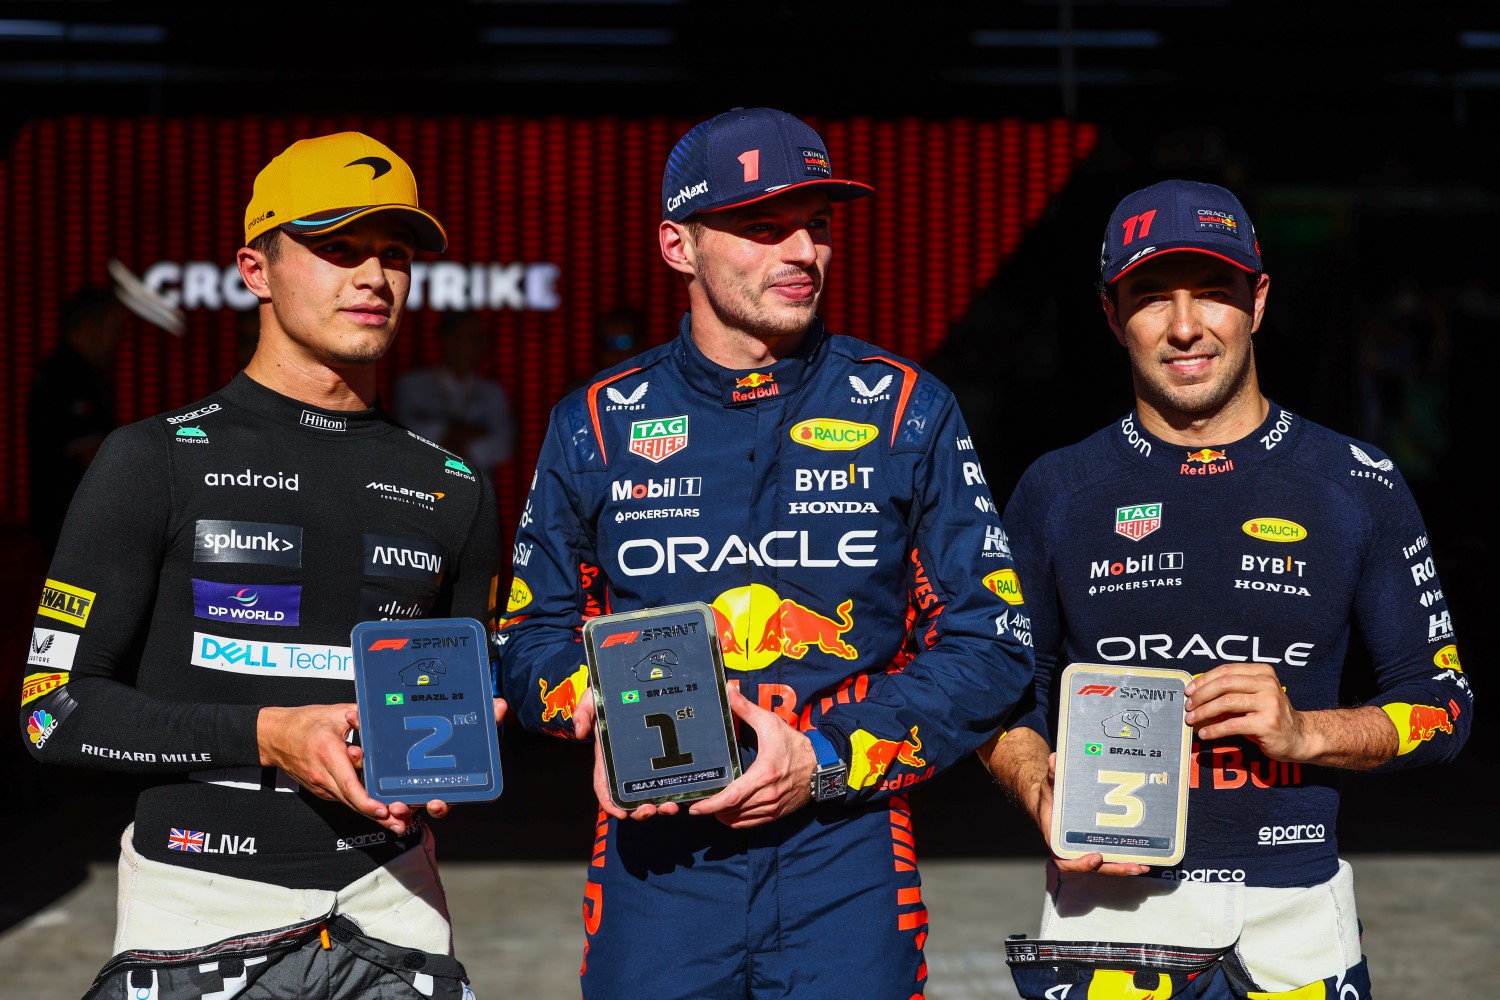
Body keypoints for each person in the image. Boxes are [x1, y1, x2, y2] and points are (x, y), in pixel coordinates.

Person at [497, 107, 1035, 999]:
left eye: (818, 225)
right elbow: (528, 636)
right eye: (761, 227)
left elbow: (994, 643)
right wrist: (592, 699)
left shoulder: (909, 410)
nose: (803, 252)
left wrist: (826, 758)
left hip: (846, 849)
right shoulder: (594, 422)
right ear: (679, 245)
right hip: (659, 858)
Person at [20, 132, 501, 999]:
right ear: (256, 269)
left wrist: (462, 745)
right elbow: (51, 714)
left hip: (397, 910)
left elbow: (457, 712)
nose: (373, 277)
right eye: (336, 247)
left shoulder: (454, 487)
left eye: (394, 255)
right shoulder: (151, 459)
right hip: (195, 913)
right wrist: (265, 734)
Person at [985, 179, 1472, 999]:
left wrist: (1306, 731)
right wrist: (1041, 786)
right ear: (1111, 315)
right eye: (1151, 299)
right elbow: (1001, 692)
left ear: (1258, 300)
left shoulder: (1359, 484)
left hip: (1298, 934)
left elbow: (1445, 706)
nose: (1184, 327)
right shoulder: (1055, 489)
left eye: (1213, 294)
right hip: (1106, 928)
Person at [26, 287, 126, 551]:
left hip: (70, 523)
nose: (118, 341)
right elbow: (91, 456)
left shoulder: (82, 375)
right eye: (114, 330)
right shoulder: (66, 376)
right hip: (67, 527)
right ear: (90, 326)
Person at [394, 310, 515, 470]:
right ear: (447, 341)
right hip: (422, 483)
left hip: (475, 486)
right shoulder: (413, 384)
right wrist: (466, 433)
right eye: (472, 338)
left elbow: (503, 444)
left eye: (481, 339)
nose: (479, 346)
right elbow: (406, 433)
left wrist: (453, 446)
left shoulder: (493, 392)